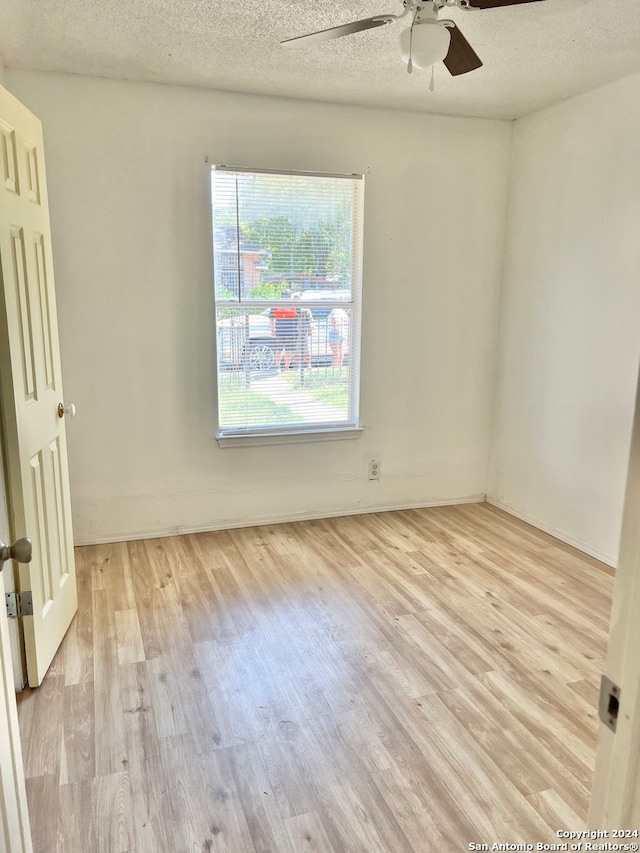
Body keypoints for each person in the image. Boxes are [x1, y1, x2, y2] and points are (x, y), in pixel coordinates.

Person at [268, 303, 298, 370]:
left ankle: (286, 368)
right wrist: (272, 329)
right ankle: (278, 367)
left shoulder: (294, 305)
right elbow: (271, 318)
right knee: (279, 350)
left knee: (288, 351)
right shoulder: (276, 306)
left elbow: (298, 317)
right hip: (280, 331)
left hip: (290, 331)